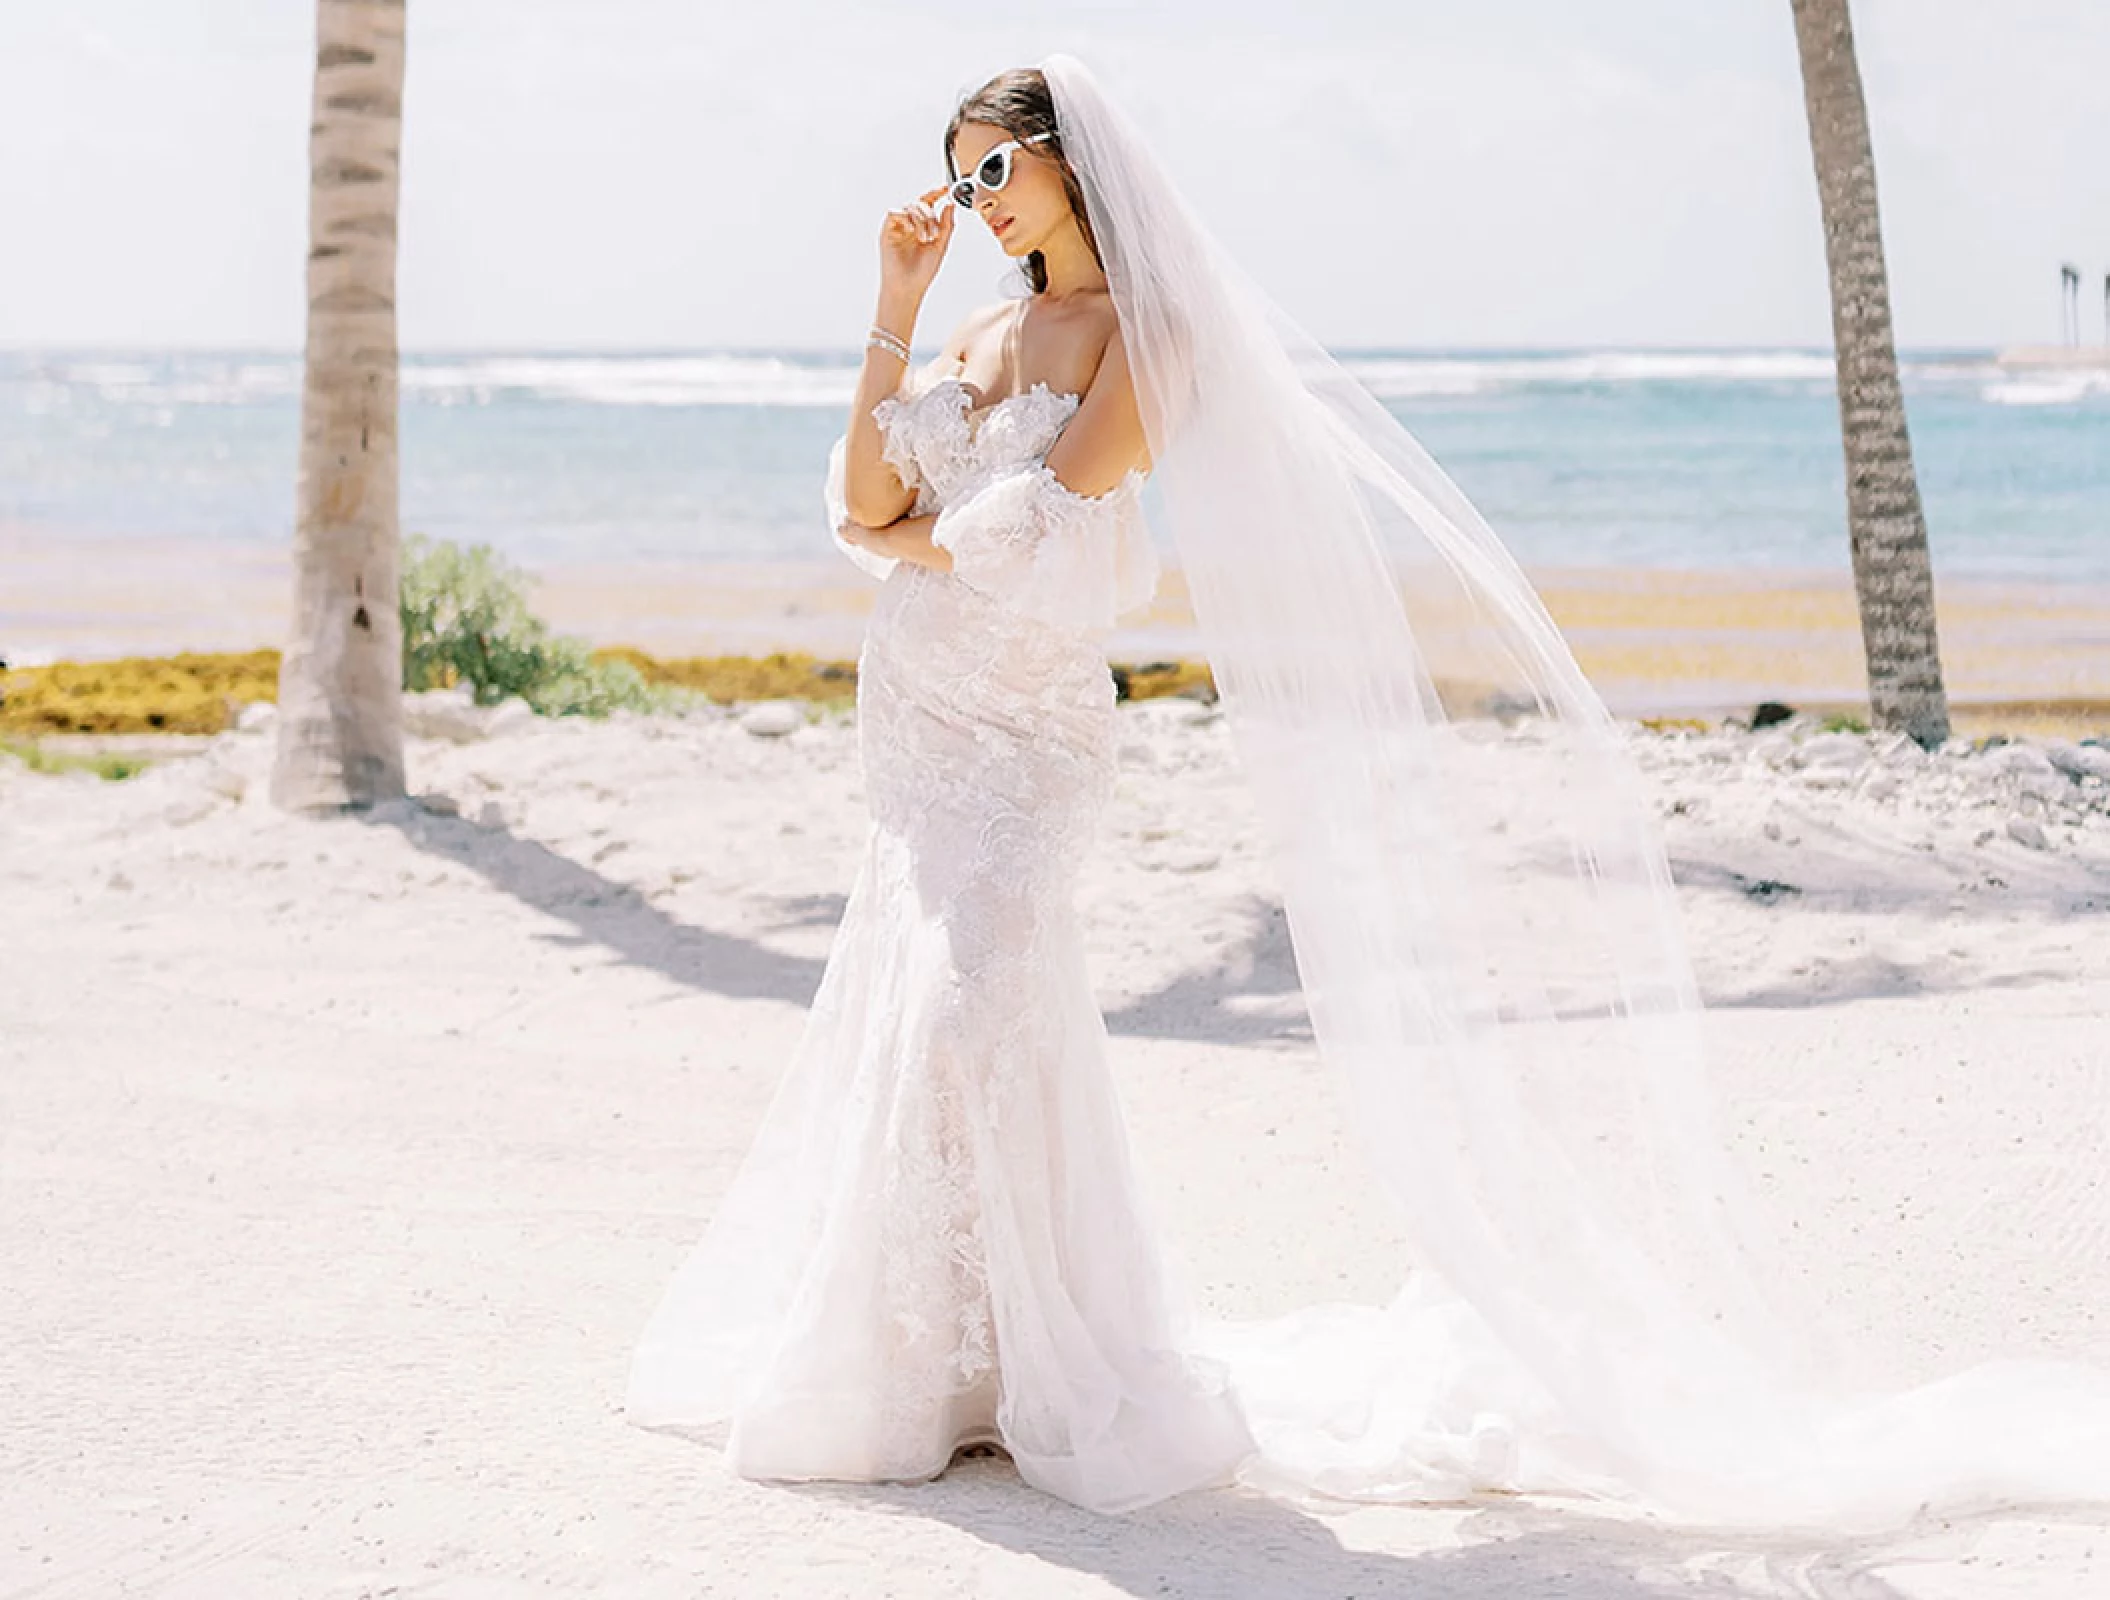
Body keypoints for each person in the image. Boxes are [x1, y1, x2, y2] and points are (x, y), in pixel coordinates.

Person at [627, 53, 2110, 1530]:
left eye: (993, 172)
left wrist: (915, 540)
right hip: (917, 723)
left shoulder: (1146, 337)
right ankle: (947, 1366)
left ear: (1069, 164)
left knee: (973, 1008)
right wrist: (891, 314)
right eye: (957, 180)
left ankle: (1057, 1356)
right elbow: (869, 505)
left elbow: (1037, 541)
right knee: (915, 1011)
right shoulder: (971, 327)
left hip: (1021, 736)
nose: (974, 203)